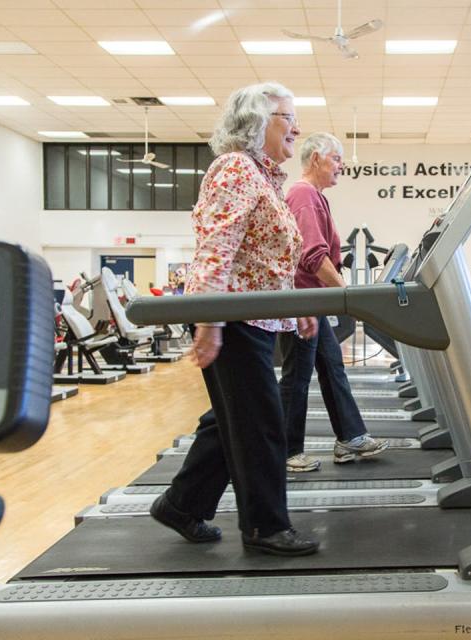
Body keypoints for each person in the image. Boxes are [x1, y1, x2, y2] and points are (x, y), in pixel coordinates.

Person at [148, 82, 320, 556]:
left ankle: (181, 505)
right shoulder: (236, 169)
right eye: (287, 117)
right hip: (233, 316)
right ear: (257, 123)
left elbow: (266, 257)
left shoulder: (265, 178)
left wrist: (296, 304)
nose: (297, 128)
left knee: (232, 419)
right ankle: (265, 527)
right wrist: (209, 321)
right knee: (261, 421)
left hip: (253, 316)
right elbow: (216, 249)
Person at [278, 132, 390, 473]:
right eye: (336, 159)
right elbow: (313, 255)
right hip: (303, 303)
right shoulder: (303, 194)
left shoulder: (316, 197)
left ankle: (350, 437)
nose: (341, 165)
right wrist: (346, 295)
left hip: (315, 301)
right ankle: (284, 451)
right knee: (297, 377)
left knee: (331, 366)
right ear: (315, 159)